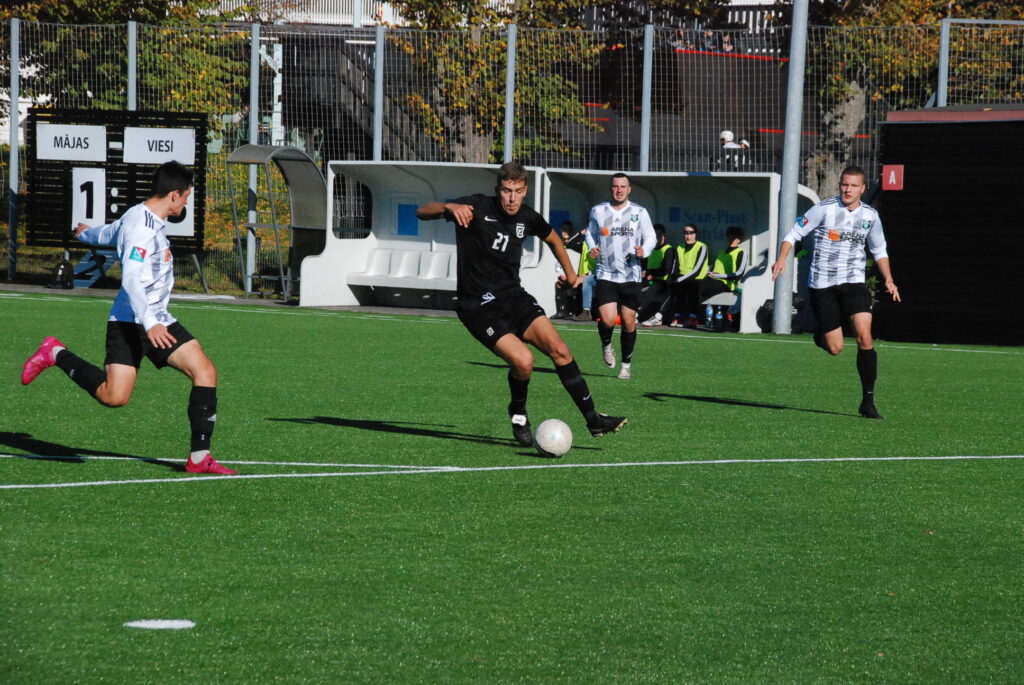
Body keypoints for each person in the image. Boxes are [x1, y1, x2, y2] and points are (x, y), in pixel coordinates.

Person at [20, 161, 236, 475]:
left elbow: (108, 232)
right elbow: (132, 279)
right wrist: (150, 323)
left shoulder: (139, 216)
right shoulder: (142, 228)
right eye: (186, 196)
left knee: (205, 371)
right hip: (131, 323)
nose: (186, 202)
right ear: (174, 195)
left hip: (157, 319)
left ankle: (200, 458)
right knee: (114, 397)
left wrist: (86, 234)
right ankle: (55, 352)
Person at [416, 161, 626, 446]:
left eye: (517, 191)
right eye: (506, 191)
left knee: (561, 350)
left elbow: (554, 239)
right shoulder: (475, 207)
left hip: (513, 297)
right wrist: (449, 207)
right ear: (498, 189)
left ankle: (594, 420)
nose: (511, 198)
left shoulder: (527, 217)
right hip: (477, 306)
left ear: (525, 191)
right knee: (524, 362)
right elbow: (422, 211)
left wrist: (571, 273)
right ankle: (518, 412)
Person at [771, 165, 901, 419]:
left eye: (853, 186)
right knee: (835, 348)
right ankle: (822, 333)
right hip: (824, 284)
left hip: (854, 283)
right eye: (844, 184)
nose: (847, 189)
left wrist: (889, 279)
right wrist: (781, 259)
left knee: (865, 337)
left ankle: (868, 402)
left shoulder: (871, 216)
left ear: (863, 189)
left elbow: (879, 250)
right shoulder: (824, 209)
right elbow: (793, 234)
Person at [585, 172, 657, 380]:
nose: (619, 190)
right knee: (607, 319)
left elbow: (651, 237)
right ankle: (607, 345)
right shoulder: (598, 211)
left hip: (631, 275)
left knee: (628, 321)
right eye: (615, 186)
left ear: (629, 189)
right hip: (606, 272)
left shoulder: (639, 212)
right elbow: (590, 233)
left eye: (623, 186)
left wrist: (645, 250)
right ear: (611, 188)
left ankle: (626, 365)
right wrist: (592, 247)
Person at [702, 225, 747, 329]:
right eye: (730, 236)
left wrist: (718, 275)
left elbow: (738, 274)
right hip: (714, 281)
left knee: (704, 288)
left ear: (739, 240)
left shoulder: (741, 252)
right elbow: (715, 268)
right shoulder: (721, 252)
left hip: (727, 284)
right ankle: (699, 318)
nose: (731, 239)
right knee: (695, 286)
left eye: (734, 237)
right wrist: (711, 273)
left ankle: (707, 318)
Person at [669, 223, 709, 327]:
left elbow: (697, 270)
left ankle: (693, 317)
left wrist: (680, 279)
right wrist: (673, 278)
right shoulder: (679, 247)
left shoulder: (702, 247)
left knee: (692, 287)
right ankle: (677, 316)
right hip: (683, 278)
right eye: (686, 233)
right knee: (674, 286)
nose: (688, 236)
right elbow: (675, 266)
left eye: (691, 233)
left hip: (697, 278)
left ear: (695, 234)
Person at [639, 223, 679, 327]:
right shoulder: (649, 249)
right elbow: (644, 266)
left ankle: (655, 317)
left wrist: (651, 273)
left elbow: (666, 270)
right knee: (638, 287)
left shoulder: (668, 249)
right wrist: (645, 272)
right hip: (651, 280)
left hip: (664, 282)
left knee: (652, 288)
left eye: (659, 236)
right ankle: (632, 313)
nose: (656, 239)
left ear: (664, 237)